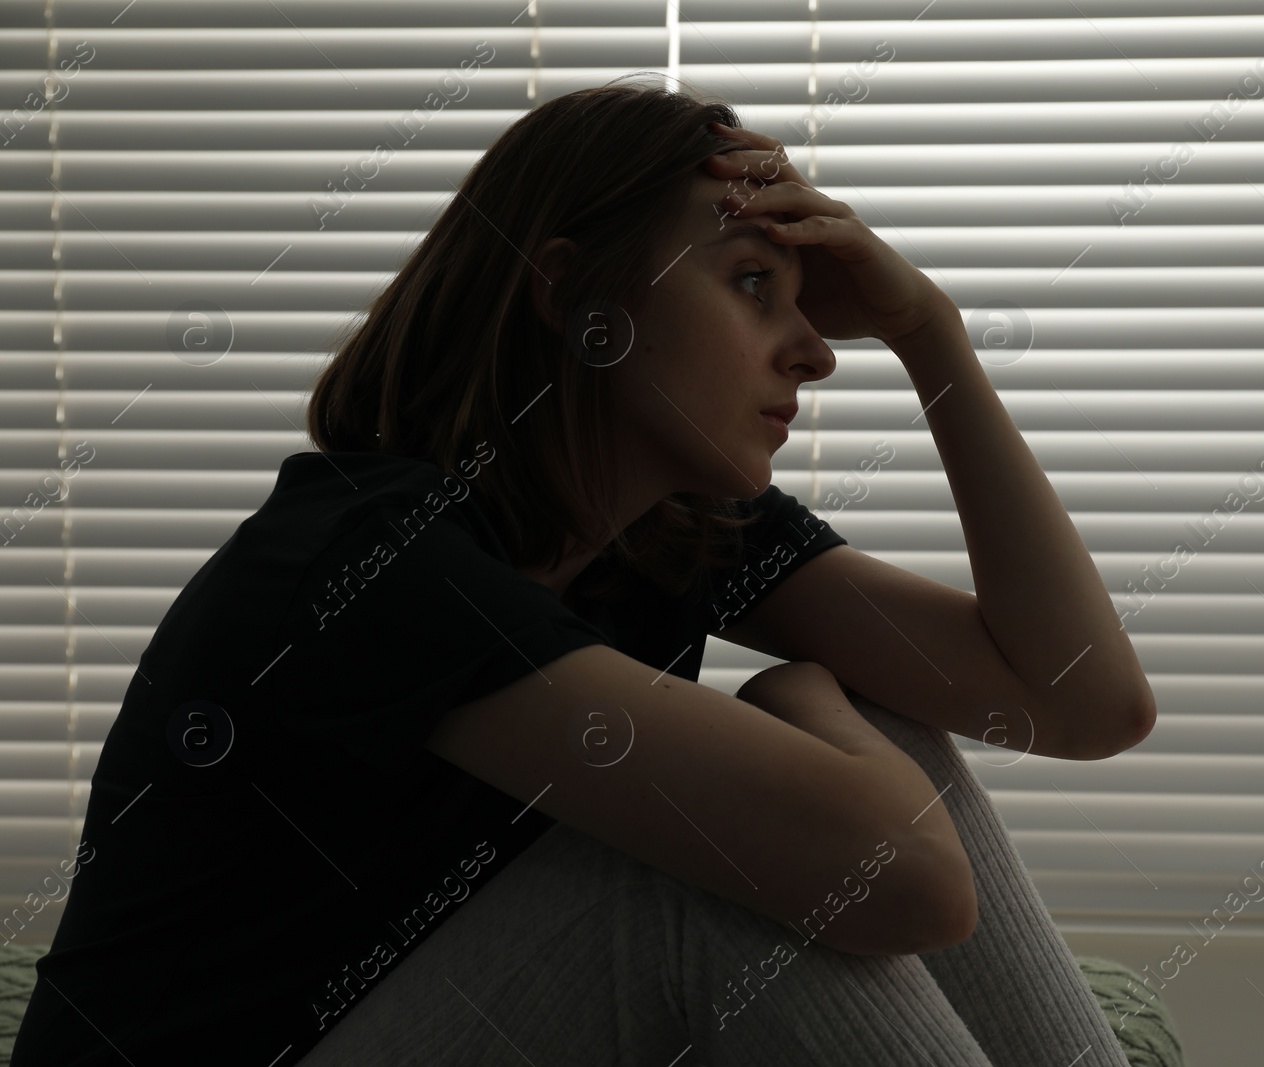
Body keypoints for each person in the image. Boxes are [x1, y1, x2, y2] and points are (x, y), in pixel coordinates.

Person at [13, 77, 1140, 1066]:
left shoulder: (669, 533)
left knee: (883, 750)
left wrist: (928, 329)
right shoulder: (372, 560)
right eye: (751, 282)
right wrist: (797, 691)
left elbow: (1082, 700)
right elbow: (906, 884)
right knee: (687, 882)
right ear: (572, 292)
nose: (815, 351)